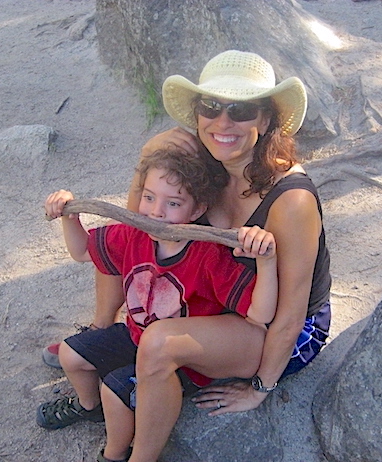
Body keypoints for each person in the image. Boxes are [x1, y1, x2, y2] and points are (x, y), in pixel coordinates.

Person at [45, 49, 331, 461]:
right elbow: (136, 233)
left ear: (266, 120)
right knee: (123, 243)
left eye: (242, 109)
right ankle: (104, 333)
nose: (223, 122)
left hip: (276, 325)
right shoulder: (208, 164)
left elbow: (291, 311)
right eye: (211, 106)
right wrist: (147, 158)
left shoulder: (291, 201)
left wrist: (260, 389)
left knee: (160, 342)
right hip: (220, 301)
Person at [38, 148, 279, 462]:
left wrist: (267, 261)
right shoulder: (134, 234)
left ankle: (115, 454)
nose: (156, 211)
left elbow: (260, 314)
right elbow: (82, 251)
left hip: (180, 359)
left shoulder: (208, 255)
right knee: (72, 355)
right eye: (149, 197)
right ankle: (88, 407)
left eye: (173, 203)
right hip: (138, 335)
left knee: (115, 391)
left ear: (198, 210)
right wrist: (70, 217)